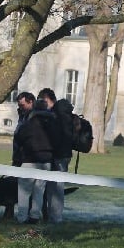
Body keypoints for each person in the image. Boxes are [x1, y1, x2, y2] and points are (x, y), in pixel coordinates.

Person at [13, 98, 60, 224]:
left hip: (30, 159)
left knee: (24, 191)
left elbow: (19, 137)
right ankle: (34, 216)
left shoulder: (29, 124)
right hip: (46, 160)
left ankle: (22, 217)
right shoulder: (52, 124)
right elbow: (57, 141)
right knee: (39, 190)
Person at [37, 88, 74, 223]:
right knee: (55, 186)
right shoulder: (64, 114)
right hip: (64, 153)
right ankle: (53, 216)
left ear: (48, 99)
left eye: (43, 101)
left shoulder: (56, 115)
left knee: (56, 187)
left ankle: (56, 218)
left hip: (58, 154)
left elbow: (57, 136)